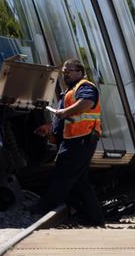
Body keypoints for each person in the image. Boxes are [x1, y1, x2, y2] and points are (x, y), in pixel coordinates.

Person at [30, 58, 103, 226]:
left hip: (81, 140)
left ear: (79, 72)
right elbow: (65, 118)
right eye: (63, 72)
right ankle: (95, 219)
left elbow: (87, 103)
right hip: (76, 140)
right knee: (80, 181)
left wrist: (64, 111)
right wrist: (50, 127)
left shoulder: (85, 87)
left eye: (68, 71)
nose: (65, 75)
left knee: (62, 175)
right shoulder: (70, 91)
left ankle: (44, 208)